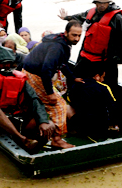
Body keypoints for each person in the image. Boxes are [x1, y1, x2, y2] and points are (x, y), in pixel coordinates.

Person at [58, 0, 122, 92]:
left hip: (105, 60)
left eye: (104, 3)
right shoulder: (91, 13)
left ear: (108, 3)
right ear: (95, 3)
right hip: (87, 56)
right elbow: (78, 17)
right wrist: (66, 18)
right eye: (99, 3)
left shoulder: (117, 19)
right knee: (76, 78)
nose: (102, 5)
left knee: (109, 87)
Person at [22, 20, 84, 149]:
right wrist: (50, 93)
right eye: (74, 35)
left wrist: (72, 78)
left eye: (79, 35)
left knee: (52, 103)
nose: (77, 38)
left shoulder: (61, 41)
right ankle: (57, 139)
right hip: (34, 75)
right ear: (66, 32)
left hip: (33, 71)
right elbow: (46, 70)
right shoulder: (57, 47)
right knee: (59, 105)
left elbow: (62, 63)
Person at [68, 65, 119, 140]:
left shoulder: (77, 84)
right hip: (99, 127)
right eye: (103, 77)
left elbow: (70, 100)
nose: (103, 80)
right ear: (97, 76)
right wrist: (115, 124)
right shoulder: (104, 87)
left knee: (67, 106)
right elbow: (113, 107)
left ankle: (74, 129)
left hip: (81, 124)